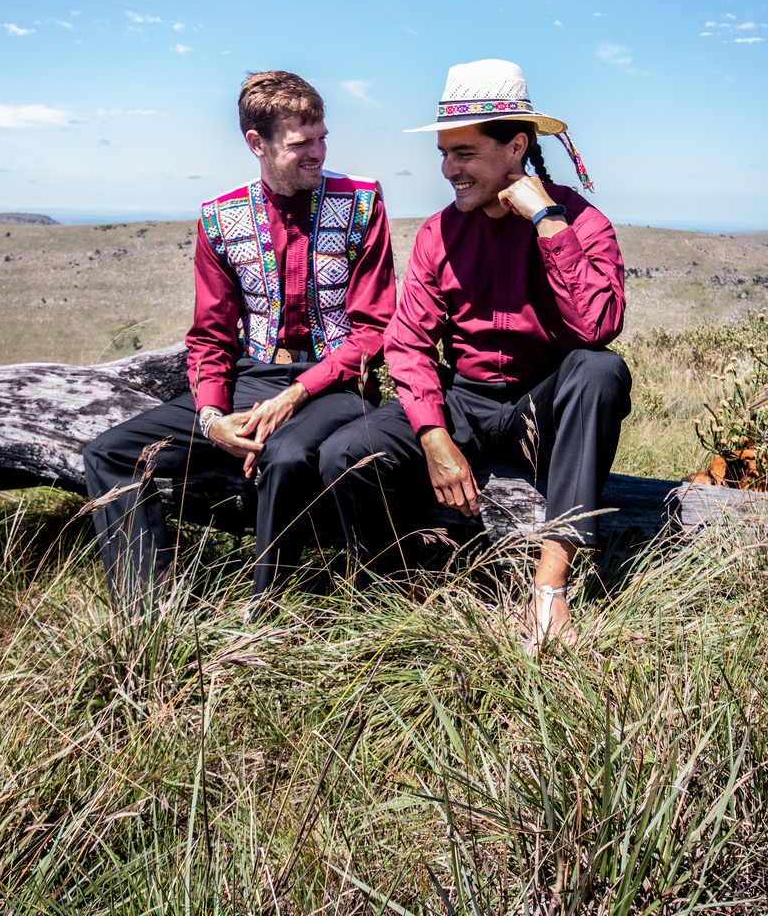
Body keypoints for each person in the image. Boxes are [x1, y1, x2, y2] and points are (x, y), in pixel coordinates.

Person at [320, 58, 631, 653]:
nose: (448, 170)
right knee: (344, 453)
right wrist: (435, 437)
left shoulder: (581, 221)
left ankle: (549, 590)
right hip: (465, 400)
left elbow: (596, 327)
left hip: (544, 407)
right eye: (444, 154)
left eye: (464, 154)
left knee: (599, 370)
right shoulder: (439, 232)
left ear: (516, 147)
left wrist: (547, 221)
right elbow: (407, 342)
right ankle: (399, 596)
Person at [84, 70, 396, 604]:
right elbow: (210, 336)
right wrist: (213, 419)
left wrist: (294, 397)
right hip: (252, 378)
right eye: (301, 143)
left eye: (322, 137)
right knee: (109, 453)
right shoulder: (220, 217)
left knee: (286, 454)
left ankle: (269, 610)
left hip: (336, 384)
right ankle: (146, 612)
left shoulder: (362, 203)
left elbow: (374, 330)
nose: (318, 152)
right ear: (257, 143)